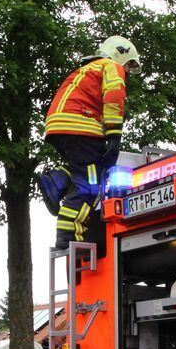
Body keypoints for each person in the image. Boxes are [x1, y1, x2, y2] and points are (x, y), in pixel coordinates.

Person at [36, 35, 141, 247]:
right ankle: (68, 234)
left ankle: (56, 181)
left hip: (59, 125)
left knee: (82, 168)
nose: (128, 72)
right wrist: (114, 136)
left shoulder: (86, 69)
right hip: (81, 126)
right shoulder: (111, 67)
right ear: (121, 55)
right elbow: (113, 98)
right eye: (129, 65)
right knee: (91, 185)